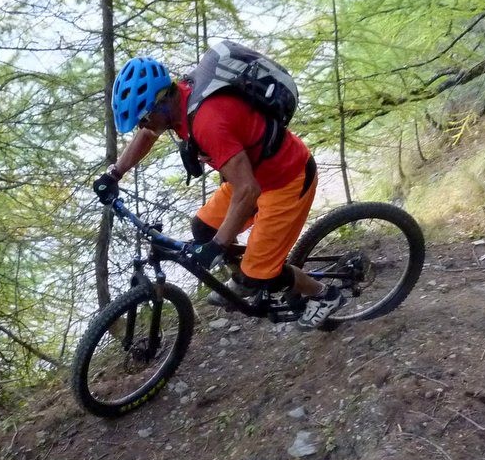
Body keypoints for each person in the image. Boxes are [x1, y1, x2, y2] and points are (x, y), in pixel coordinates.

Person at [92, 56, 345, 329]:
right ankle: (244, 279)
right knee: (204, 228)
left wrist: (218, 246)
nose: (143, 127)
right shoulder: (180, 100)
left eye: (144, 119)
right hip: (250, 177)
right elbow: (147, 135)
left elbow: (248, 191)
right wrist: (114, 173)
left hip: (286, 181)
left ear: (162, 102)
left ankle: (323, 294)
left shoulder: (208, 121)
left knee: (259, 275)